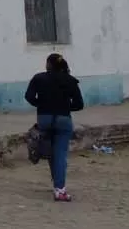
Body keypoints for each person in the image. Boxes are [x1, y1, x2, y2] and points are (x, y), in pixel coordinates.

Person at [25, 53, 84, 202]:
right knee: (60, 154)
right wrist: (65, 106)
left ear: (48, 65)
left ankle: (56, 183)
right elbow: (79, 104)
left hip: (44, 119)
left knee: (51, 152)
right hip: (63, 120)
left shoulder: (38, 78)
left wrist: (41, 105)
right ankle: (60, 189)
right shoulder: (70, 80)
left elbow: (29, 97)